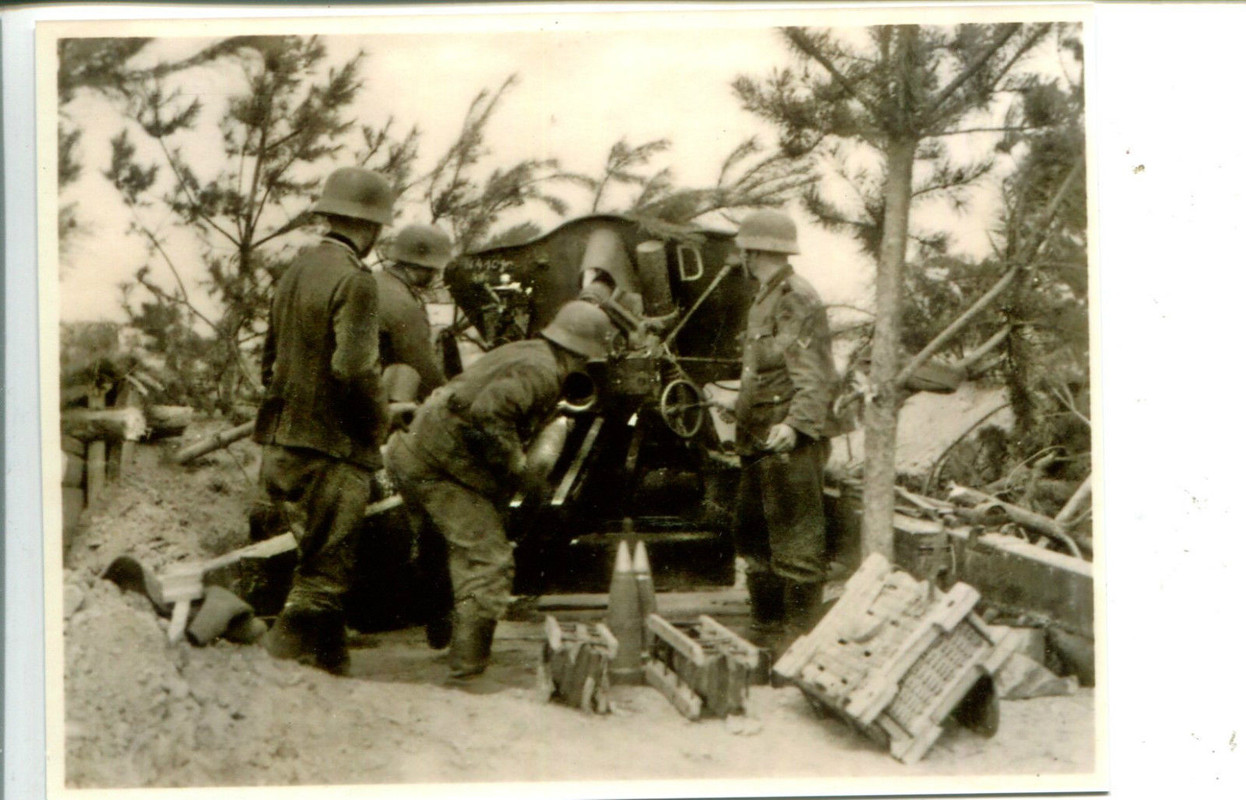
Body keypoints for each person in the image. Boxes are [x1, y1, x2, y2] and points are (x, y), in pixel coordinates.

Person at [385, 300, 615, 682]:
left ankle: (442, 632)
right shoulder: (542, 371)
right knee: (487, 561)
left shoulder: (526, 351)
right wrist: (518, 469)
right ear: (586, 351)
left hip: (415, 452)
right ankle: (467, 671)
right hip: (441, 467)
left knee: (443, 543)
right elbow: (490, 415)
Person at [252, 166, 395, 674]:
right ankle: (272, 670)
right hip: (331, 447)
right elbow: (354, 366)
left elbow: (269, 361)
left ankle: (332, 666)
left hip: (281, 442)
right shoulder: (355, 280)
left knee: (317, 556)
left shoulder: (295, 271)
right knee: (324, 573)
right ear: (374, 228)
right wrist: (377, 423)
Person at [731, 209, 837, 655]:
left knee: (796, 537)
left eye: (746, 250)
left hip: (786, 438)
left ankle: (799, 640)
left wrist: (795, 426)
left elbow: (813, 375)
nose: (743, 257)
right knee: (755, 532)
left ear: (755, 250)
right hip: (760, 434)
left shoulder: (795, 298)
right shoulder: (767, 296)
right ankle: (767, 629)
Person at [376, 223, 453, 402]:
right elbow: (424, 370)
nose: (436, 275)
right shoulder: (404, 303)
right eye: (435, 270)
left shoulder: (375, 279)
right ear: (424, 267)